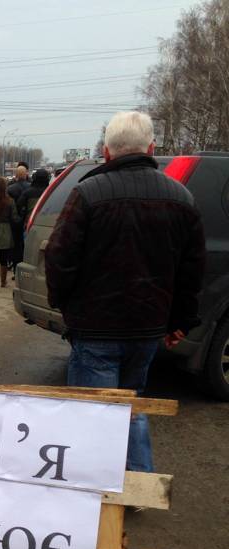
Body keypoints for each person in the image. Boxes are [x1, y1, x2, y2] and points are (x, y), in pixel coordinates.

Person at [45, 110, 206, 472]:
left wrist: (65, 307)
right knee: (131, 405)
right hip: (147, 327)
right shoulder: (181, 197)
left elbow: (58, 257)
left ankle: (92, 487)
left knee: (93, 414)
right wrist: (180, 321)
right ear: (151, 148)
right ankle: (138, 483)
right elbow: (192, 269)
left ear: (106, 152)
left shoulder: (87, 193)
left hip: (95, 328)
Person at [6, 165, 32, 273]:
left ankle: (15, 268)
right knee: (26, 245)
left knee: (16, 245)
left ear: (16, 175)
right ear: (26, 175)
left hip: (14, 220)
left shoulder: (10, 189)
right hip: (27, 220)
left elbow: (8, 206)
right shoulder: (30, 188)